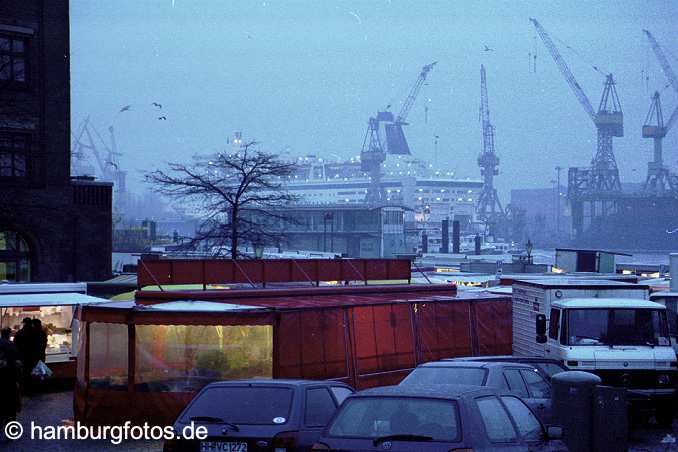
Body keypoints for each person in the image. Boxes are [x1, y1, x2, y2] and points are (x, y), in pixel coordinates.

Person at [0, 327, 20, 441]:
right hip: (9, 380)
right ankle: (11, 432)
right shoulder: (11, 345)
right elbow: (17, 363)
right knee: (10, 408)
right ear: (8, 334)